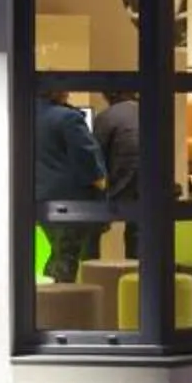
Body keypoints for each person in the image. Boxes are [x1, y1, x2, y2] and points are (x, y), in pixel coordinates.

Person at [33, 89, 108, 281]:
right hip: (71, 200)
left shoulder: (26, 115)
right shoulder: (68, 119)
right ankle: (59, 304)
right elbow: (86, 156)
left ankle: (49, 300)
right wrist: (99, 181)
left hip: (40, 196)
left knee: (60, 251)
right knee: (67, 255)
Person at [96, 89, 143, 258]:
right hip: (148, 185)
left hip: (120, 183)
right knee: (138, 233)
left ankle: (88, 276)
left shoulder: (106, 117)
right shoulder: (149, 112)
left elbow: (97, 156)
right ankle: (136, 277)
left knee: (91, 231)